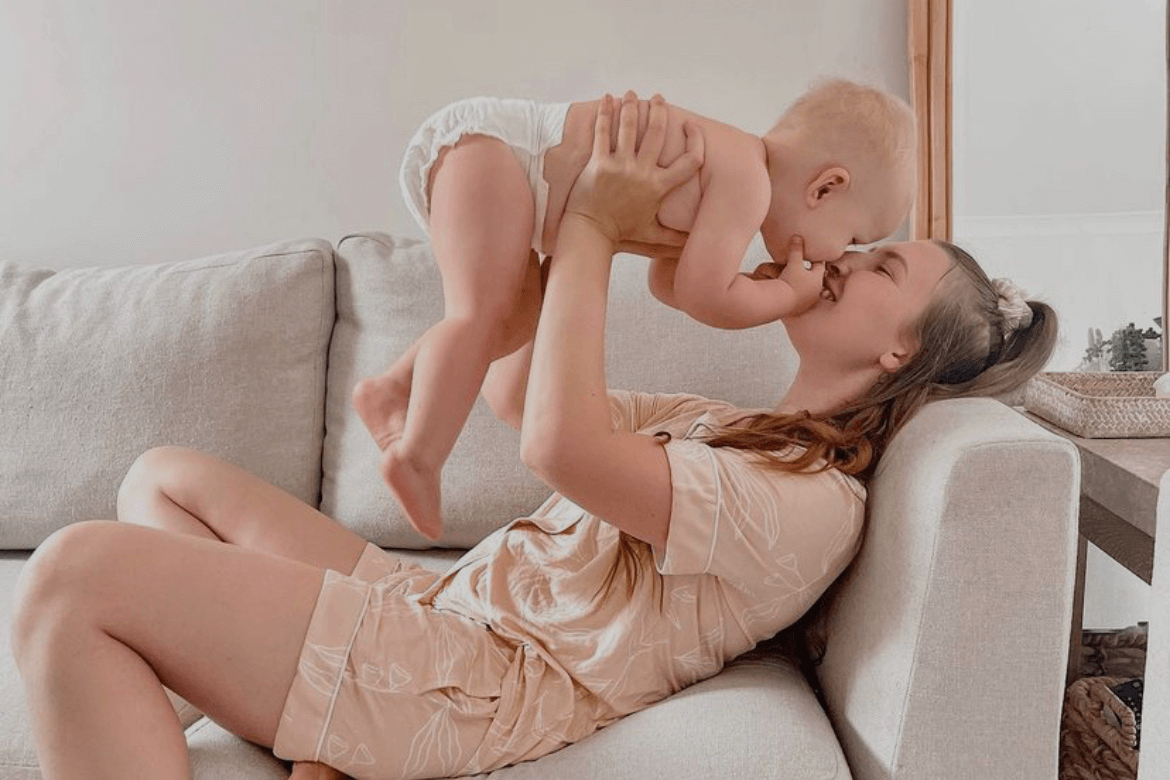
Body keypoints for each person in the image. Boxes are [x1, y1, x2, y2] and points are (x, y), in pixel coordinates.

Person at [10, 93, 1055, 780]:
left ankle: (317, 713)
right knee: (163, 478)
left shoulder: (810, 504)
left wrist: (599, 226)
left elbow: (559, 448)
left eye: (879, 268)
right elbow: (517, 395)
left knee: (74, 574)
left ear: (895, 355)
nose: (845, 257)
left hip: (473, 677)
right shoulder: (730, 428)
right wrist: (574, 217)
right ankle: (305, 723)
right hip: (439, 604)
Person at [352, 81, 917, 541]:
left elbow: (668, 283)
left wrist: (743, 281)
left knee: (509, 323)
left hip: (503, 164)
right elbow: (703, 296)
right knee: (477, 314)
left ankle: (391, 390)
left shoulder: (733, 179)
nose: (841, 257)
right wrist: (782, 297)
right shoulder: (746, 180)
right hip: (500, 156)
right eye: (852, 236)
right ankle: (419, 456)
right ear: (825, 187)